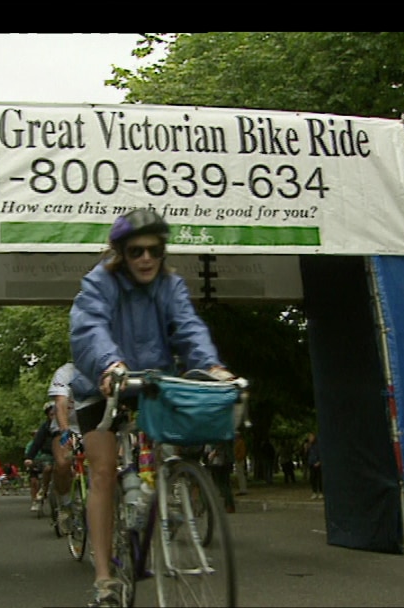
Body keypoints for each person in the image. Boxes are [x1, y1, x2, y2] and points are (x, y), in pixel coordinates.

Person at [69, 208, 235, 607]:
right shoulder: (100, 282)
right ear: (120, 254)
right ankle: (105, 580)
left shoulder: (170, 285)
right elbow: (89, 326)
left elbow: (189, 327)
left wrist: (211, 366)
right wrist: (110, 363)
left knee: (170, 449)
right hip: (102, 381)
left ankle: (159, 500)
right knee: (105, 471)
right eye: (135, 251)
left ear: (163, 252)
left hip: (153, 381)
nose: (145, 258)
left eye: (154, 250)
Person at [48, 361, 83, 534]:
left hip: (93, 426)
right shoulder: (65, 372)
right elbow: (60, 404)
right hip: (68, 426)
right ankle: (64, 504)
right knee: (63, 463)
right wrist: (65, 432)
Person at [23, 402, 56, 512]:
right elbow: (36, 443)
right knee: (48, 468)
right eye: (51, 414)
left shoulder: (65, 425)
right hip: (48, 455)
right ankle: (43, 489)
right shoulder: (45, 427)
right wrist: (29, 457)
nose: (54, 416)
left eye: (56, 413)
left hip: (63, 454)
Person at [206, 441, 236, 513]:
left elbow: (218, 448)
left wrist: (212, 453)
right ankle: (229, 505)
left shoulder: (218, 438)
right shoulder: (227, 438)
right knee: (226, 484)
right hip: (226, 462)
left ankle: (228, 505)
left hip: (218, 463)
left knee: (222, 485)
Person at [306, 432, 323, 499]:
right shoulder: (309, 446)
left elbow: (321, 453)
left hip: (318, 463)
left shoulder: (318, 445)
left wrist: (319, 461)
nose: (310, 438)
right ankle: (314, 492)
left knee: (319, 478)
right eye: (309, 437)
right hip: (311, 463)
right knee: (312, 478)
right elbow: (307, 455)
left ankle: (321, 492)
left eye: (311, 437)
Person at [233, 430, 248, 496]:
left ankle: (243, 489)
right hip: (238, 460)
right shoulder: (237, 442)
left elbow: (242, 452)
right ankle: (242, 489)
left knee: (241, 475)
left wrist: (238, 458)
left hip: (239, 460)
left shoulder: (240, 442)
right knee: (240, 475)